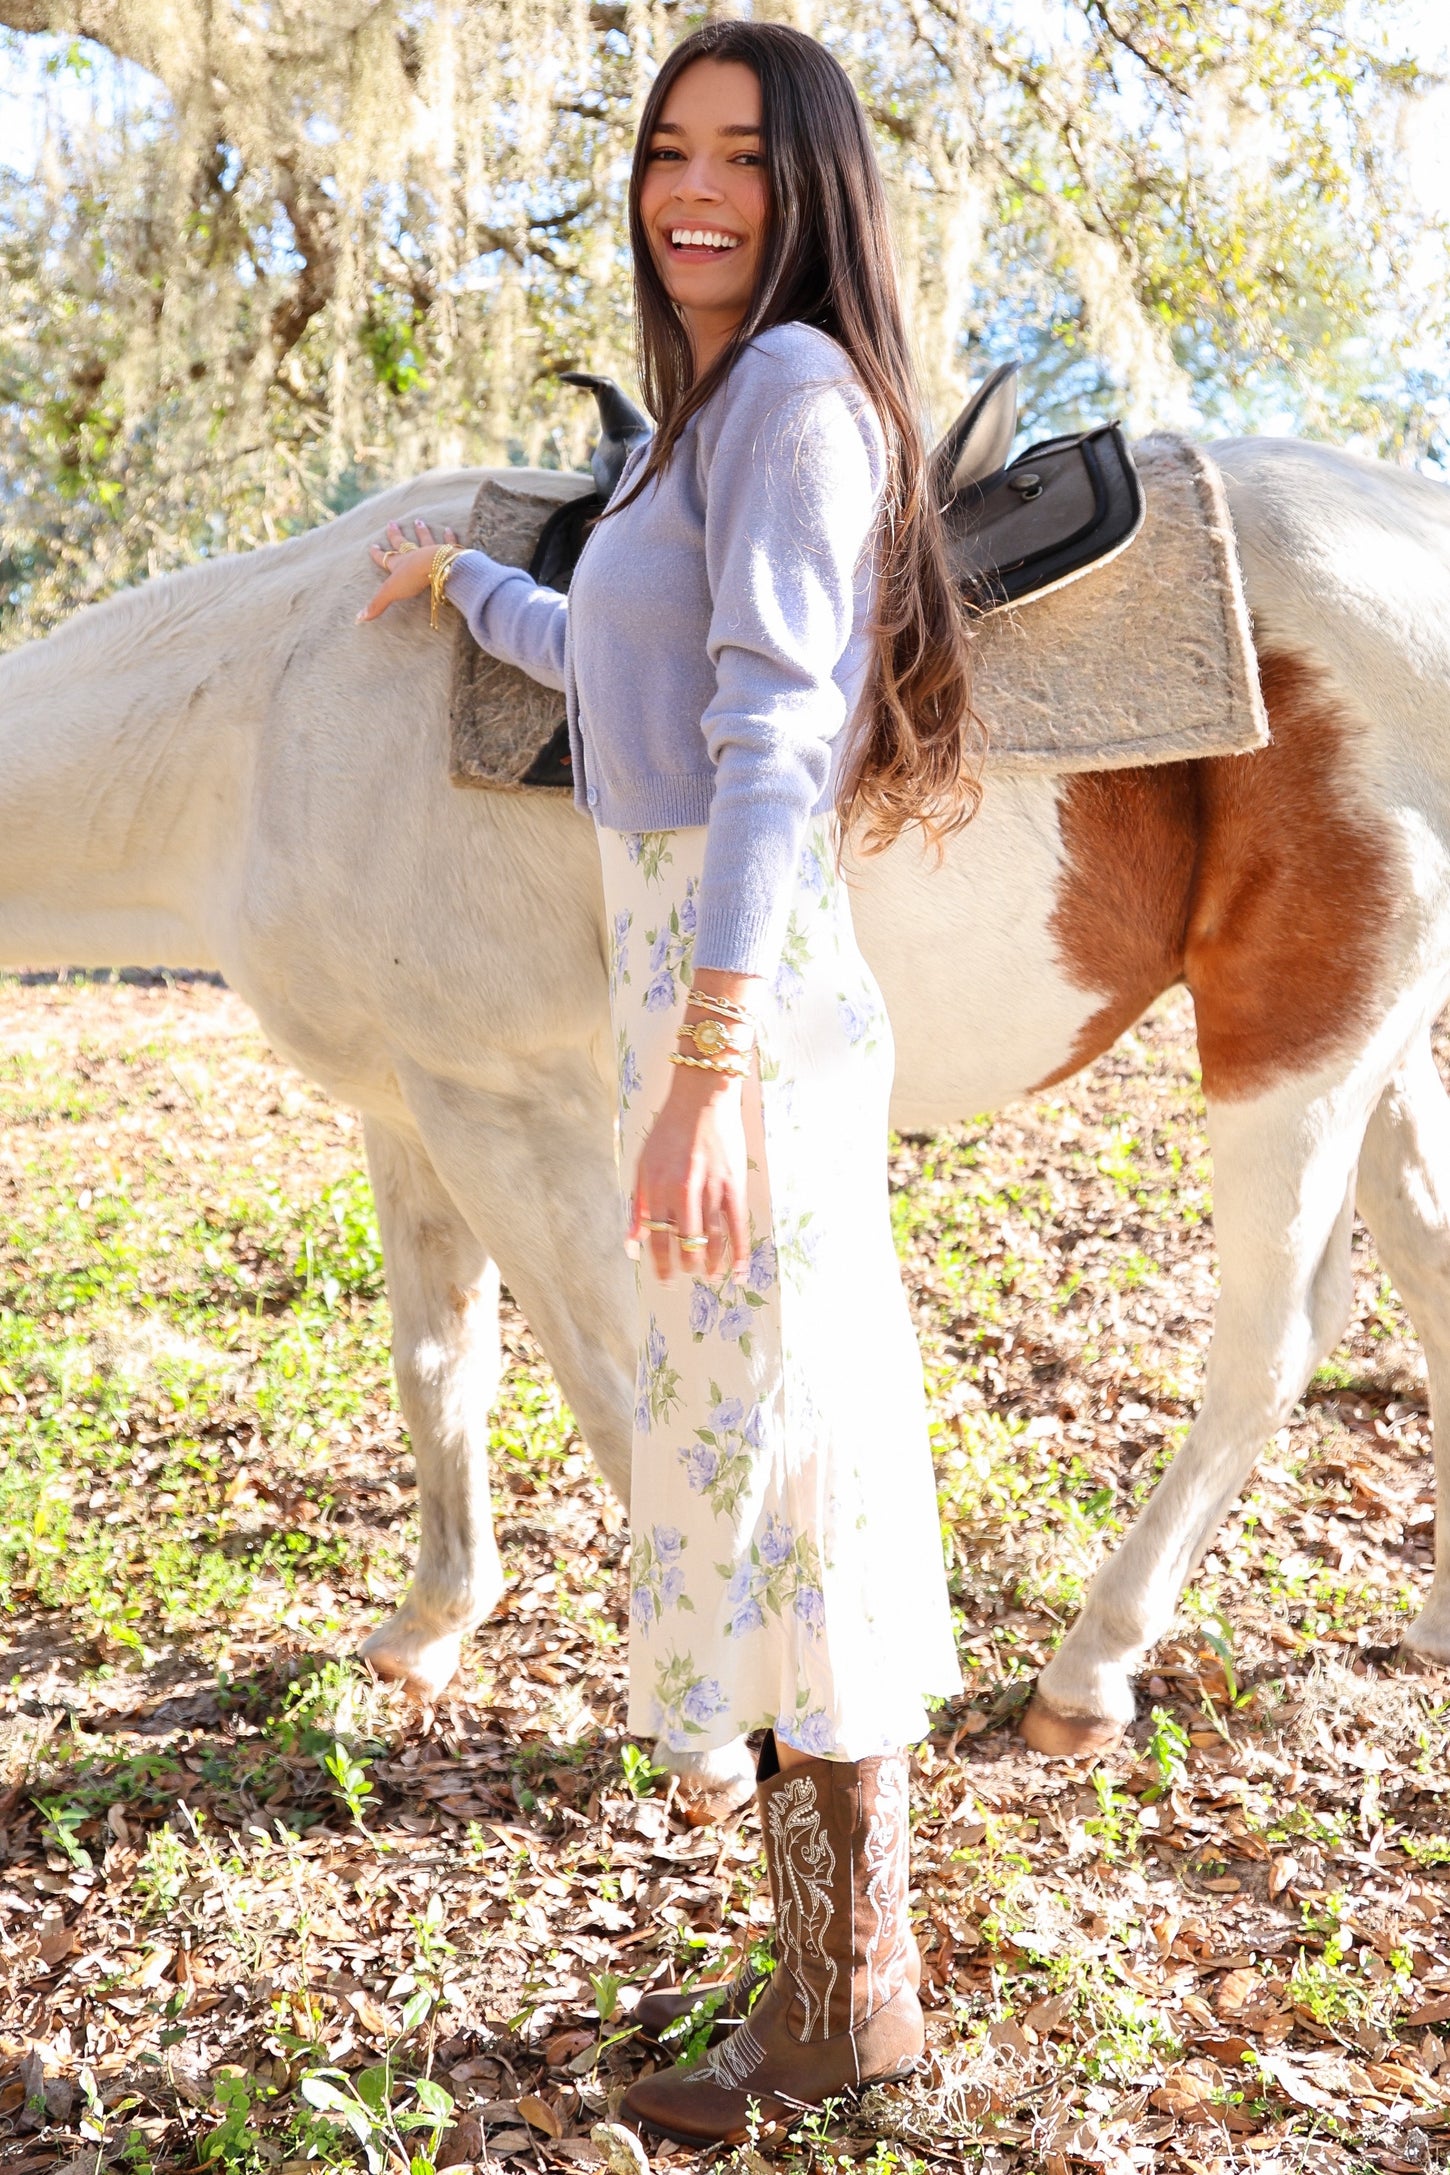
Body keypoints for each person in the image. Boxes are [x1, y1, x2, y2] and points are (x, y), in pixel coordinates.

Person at [360, 19, 975, 2145]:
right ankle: (834, 1986)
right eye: (666, 151)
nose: (691, 188)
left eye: (740, 155)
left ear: (811, 190)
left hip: (744, 987)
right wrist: (469, 589)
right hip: (680, 971)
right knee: (749, 1422)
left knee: (791, 1442)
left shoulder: (797, 395)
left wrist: (707, 1069)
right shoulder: (703, 416)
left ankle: (851, 2015)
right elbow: (630, 659)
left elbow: (769, 739)